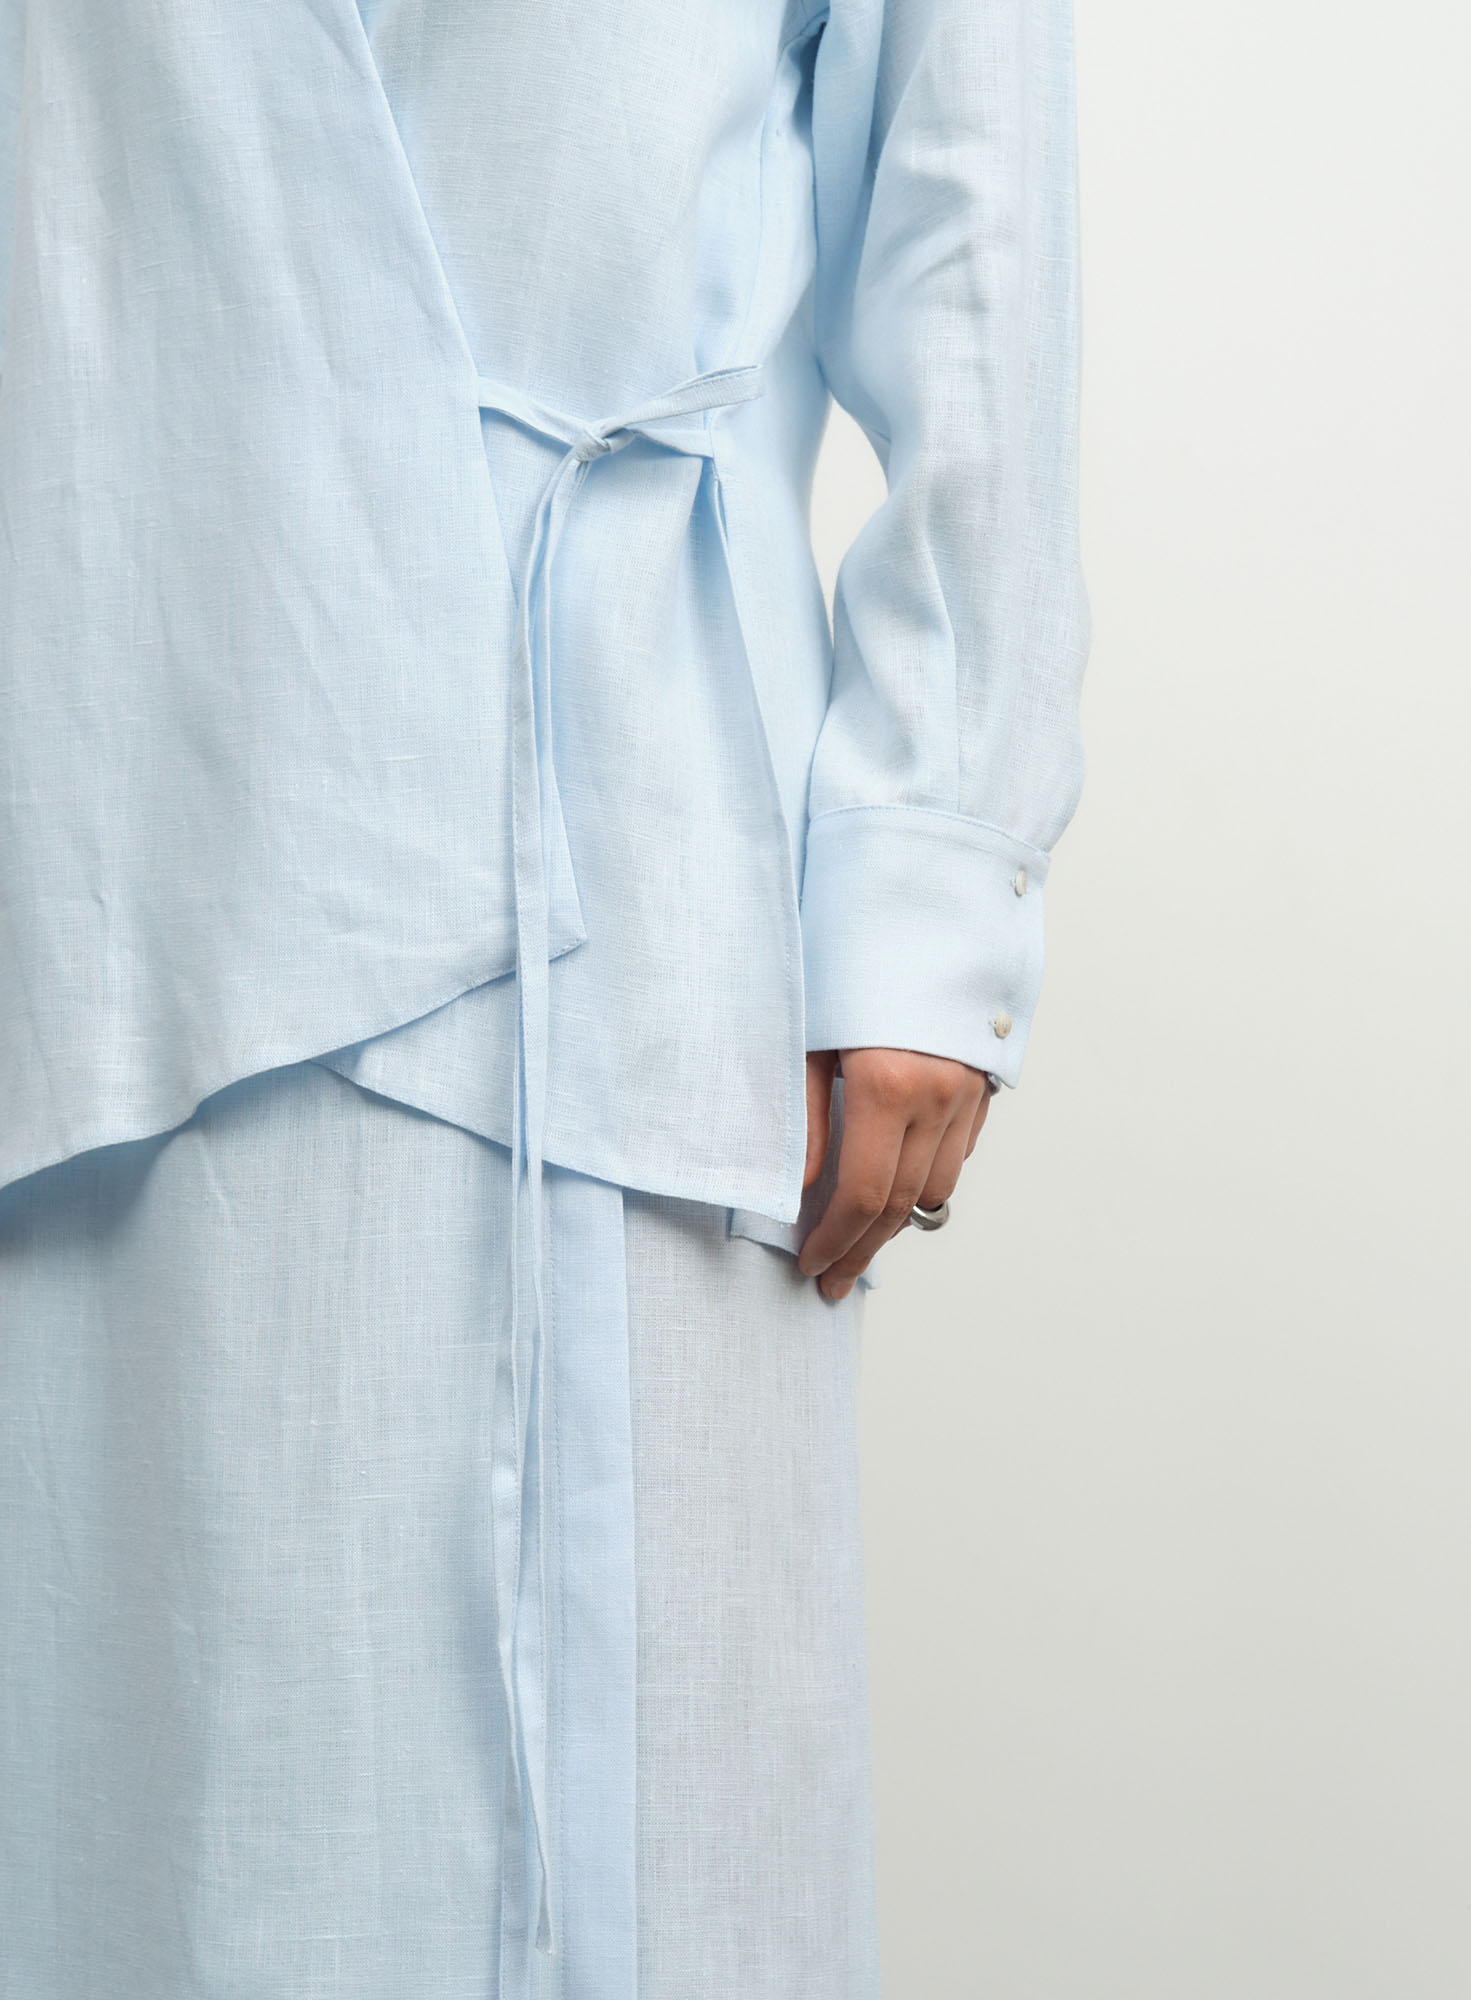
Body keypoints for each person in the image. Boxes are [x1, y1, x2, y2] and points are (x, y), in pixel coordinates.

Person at [0, 0, 1088, 1994]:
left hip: (616, 840)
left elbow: (968, 183)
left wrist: (939, 848)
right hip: (96, 837)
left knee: (634, 1837)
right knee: (120, 1800)